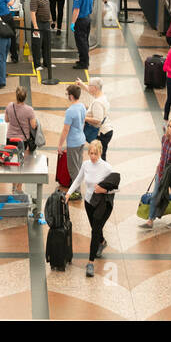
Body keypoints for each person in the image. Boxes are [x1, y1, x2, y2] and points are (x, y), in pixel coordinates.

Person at [66, 139, 117, 277]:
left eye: (95, 153)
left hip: (103, 204)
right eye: (91, 153)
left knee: (95, 230)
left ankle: (90, 263)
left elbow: (115, 189)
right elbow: (78, 179)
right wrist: (69, 193)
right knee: (95, 228)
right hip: (89, 202)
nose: (93, 156)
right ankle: (102, 242)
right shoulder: (86, 165)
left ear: (100, 152)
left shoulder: (107, 168)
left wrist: (104, 190)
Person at [140, 118, 171, 230]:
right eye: (169, 126)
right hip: (161, 172)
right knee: (155, 194)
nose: (170, 129)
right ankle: (150, 220)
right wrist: (158, 166)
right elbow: (163, 154)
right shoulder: (164, 138)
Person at [58, 83, 88, 198]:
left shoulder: (70, 111)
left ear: (71, 96)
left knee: (73, 168)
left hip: (73, 143)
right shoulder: (82, 106)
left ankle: (76, 191)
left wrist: (60, 145)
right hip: (81, 139)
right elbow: (83, 122)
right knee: (78, 165)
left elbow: (65, 130)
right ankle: (76, 186)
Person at [29, 0, 55, 85]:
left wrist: (51, 20)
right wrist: (35, 27)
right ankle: (37, 65)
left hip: (46, 24)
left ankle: (47, 63)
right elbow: (32, 13)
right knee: (37, 45)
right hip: (38, 24)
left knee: (47, 44)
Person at [84, 77, 114, 158]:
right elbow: (90, 91)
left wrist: (84, 118)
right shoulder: (101, 96)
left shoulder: (97, 103)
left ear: (94, 88)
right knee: (101, 154)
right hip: (107, 130)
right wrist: (81, 84)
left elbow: (98, 120)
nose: (88, 87)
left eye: (89, 85)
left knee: (100, 156)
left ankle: (103, 170)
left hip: (102, 133)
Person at [68, 0, 93, 70]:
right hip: (87, 18)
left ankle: (84, 63)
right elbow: (91, 5)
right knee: (85, 41)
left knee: (80, 42)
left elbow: (76, 10)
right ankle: (83, 60)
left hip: (81, 21)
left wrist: (73, 22)